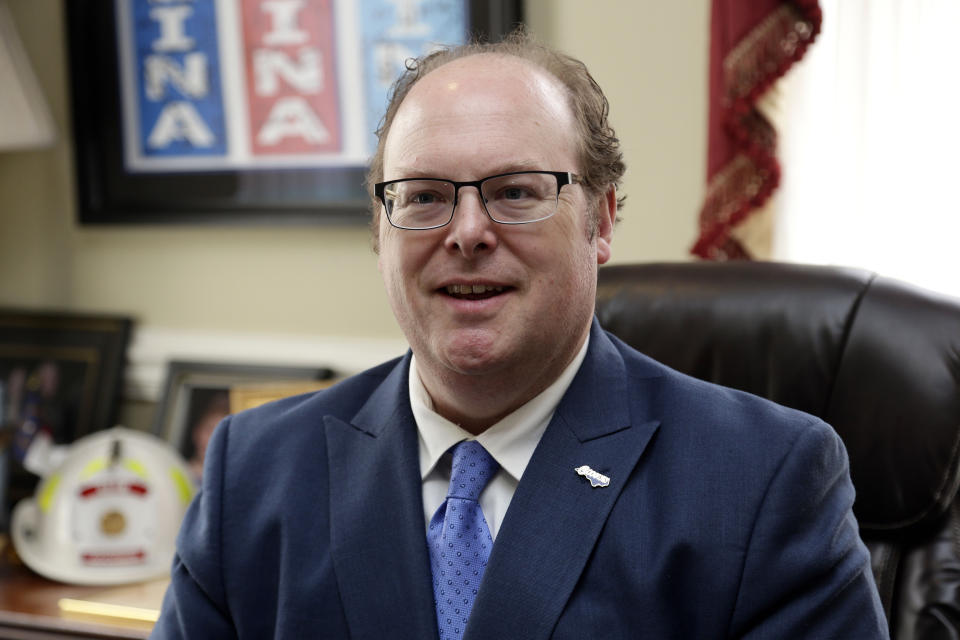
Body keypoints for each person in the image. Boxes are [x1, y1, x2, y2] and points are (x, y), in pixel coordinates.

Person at [152, 31, 888, 639]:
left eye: (515, 192)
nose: (467, 233)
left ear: (600, 222)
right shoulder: (251, 473)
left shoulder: (765, 479)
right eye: (425, 197)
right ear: (380, 229)